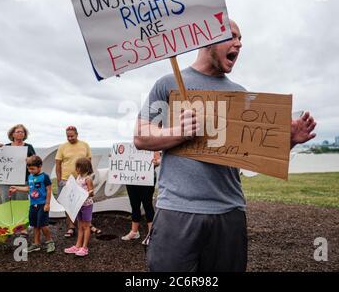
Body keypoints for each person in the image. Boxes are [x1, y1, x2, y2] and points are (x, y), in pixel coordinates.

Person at [134, 20, 317, 272]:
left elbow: (257, 156)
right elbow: (141, 137)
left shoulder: (241, 95)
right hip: (177, 211)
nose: (239, 43)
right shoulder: (168, 84)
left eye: (241, 38)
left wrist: (290, 141)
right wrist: (179, 132)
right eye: (231, 36)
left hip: (229, 212)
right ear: (206, 39)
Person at [55, 126, 100, 237]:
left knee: (83, 203)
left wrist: (89, 176)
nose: (70, 138)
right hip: (66, 180)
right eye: (68, 136)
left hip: (82, 180)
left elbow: (89, 161)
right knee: (68, 204)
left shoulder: (84, 145)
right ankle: (71, 227)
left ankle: (87, 224)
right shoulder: (62, 147)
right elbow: (58, 164)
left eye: (72, 136)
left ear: (77, 134)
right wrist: (59, 179)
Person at [10, 155, 55, 253]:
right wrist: (17, 188)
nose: (30, 171)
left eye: (33, 169)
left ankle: (50, 242)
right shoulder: (30, 176)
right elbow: (28, 188)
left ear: (40, 166)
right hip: (33, 205)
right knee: (35, 225)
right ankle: (36, 244)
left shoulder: (45, 177)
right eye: (29, 169)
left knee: (43, 225)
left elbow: (48, 190)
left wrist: (47, 204)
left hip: (42, 205)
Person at [121, 151, 161, 245]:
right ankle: (134, 232)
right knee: (134, 205)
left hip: (147, 178)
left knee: (147, 205)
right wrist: (114, 158)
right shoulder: (131, 147)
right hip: (131, 179)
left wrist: (156, 162)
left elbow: (158, 160)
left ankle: (151, 235)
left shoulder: (152, 146)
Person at [64, 158, 95, 257]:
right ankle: (77, 246)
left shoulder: (88, 179)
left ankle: (84, 247)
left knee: (86, 226)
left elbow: (92, 192)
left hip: (86, 205)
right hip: (78, 205)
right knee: (80, 226)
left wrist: (84, 194)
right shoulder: (78, 177)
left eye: (77, 167)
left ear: (83, 168)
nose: (76, 169)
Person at [0, 124, 36, 203]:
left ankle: (20, 216)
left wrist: (29, 160)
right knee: (6, 200)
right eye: (18, 132)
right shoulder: (6, 147)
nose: (20, 133)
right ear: (13, 134)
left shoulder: (29, 147)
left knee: (21, 202)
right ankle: (7, 215)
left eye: (22, 132)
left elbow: (35, 161)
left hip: (23, 179)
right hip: (6, 180)